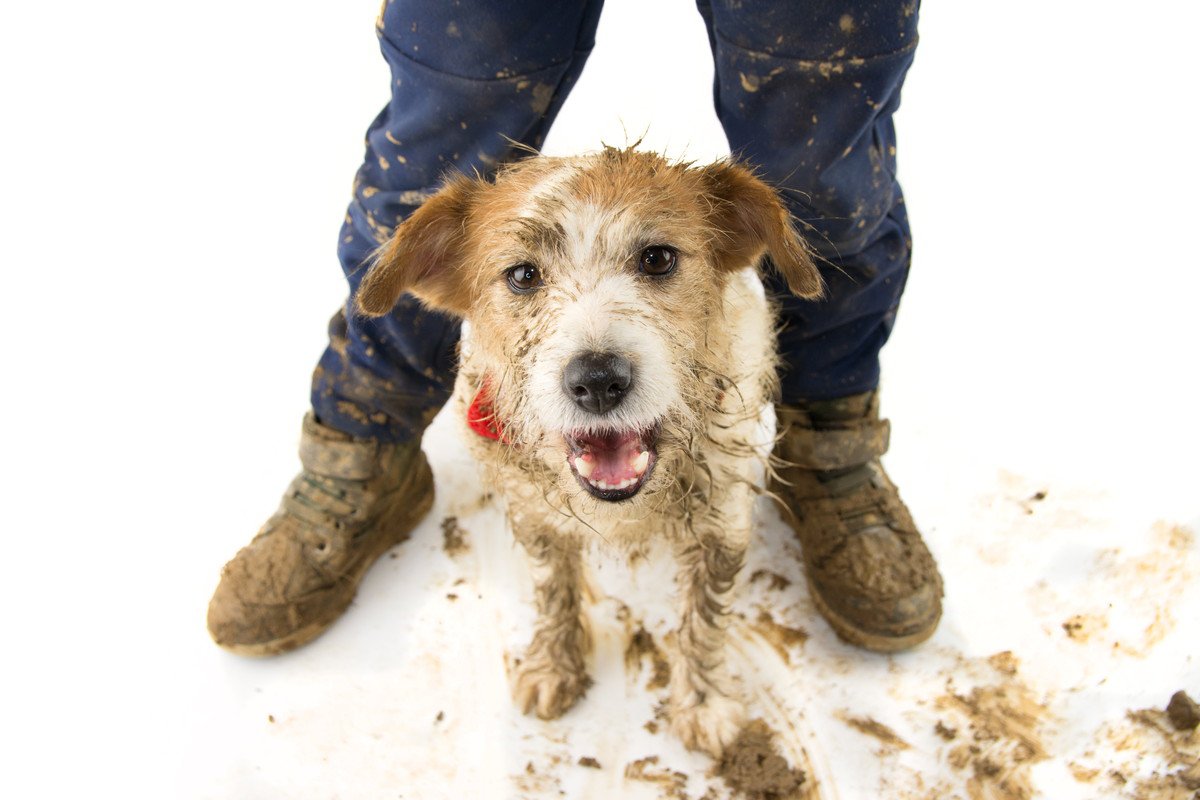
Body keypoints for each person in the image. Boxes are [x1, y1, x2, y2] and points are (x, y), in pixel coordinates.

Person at [207, 0, 942, 657]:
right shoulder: (453, 262)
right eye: (523, 278)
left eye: (657, 259)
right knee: (432, 142)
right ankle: (363, 445)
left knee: (827, 175)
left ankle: (829, 444)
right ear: (441, 276)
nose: (596, 354)